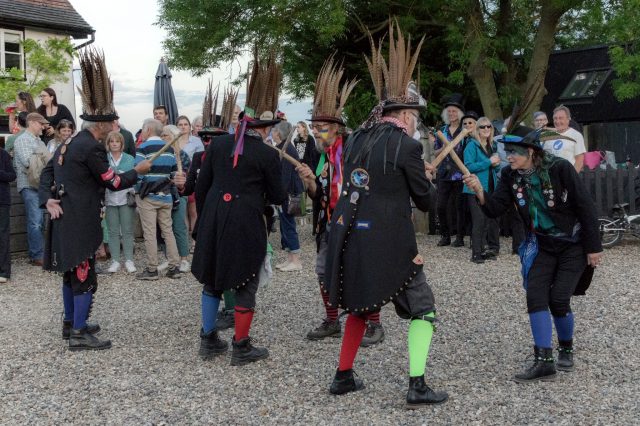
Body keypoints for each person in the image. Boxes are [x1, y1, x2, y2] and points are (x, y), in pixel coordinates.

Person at [310, 23, 448, 406]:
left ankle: (343, 376)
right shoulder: (407, 146)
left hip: (353, 237)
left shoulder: (355, 139)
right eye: (414, 115)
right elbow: (426, 202)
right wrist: (428, 180)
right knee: (424, 309)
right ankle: (417, 385)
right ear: (403, 114)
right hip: (392, 244)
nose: (416, 121)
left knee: (360, 306)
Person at [464, 127, 602, 382]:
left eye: (514, 152)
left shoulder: (560, 168)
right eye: (506, 151)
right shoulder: (510, 175)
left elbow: (585, 206)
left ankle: (566, 348)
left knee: (559, 299)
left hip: (572, 244)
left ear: (530, 151)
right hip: (542, 244)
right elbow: (495, 209)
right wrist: (479, 191)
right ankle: (544, 361)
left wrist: (593, 247)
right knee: (536, 296)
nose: (508, 156)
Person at [39, 46, 153, 350]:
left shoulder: (69, 143)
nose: (115, 126)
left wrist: (47, 199)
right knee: (83, 274)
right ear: (100, 124)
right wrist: (138, 171)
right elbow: (113, 182)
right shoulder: (90, 147)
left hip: (67, 217)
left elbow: (48, 174)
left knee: (70, 273)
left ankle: (71, 323)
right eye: (112, 122)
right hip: (80, 220)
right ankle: (78, 333)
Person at [191, 49, 286, 365]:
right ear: (265, 127)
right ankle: (241, 347)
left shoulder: (217, 144)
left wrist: (205, 218)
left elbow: (202, 188)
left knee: (213, 279)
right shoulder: (268, 155)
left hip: (214, 217)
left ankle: (208, 340)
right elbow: (278, 196)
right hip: (246, 221)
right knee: (246, 280)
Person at [135, 119, 183, 280]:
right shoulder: (169, 149)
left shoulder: (142, 148)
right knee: (168, 231)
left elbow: (138, 172)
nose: (142, 133)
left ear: (148, 130)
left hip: (147, 196)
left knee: (150, 232)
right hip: (166, 195)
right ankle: (174, 267)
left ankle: (152, 269)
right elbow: (173, 174)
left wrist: (137, 190)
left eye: (143, 129)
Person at [463, 116, 500, 263]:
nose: (486, 129)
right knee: (478, 221)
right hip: (474, 188)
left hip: (489, 188)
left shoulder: (491, 145)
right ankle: (476, 254)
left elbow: (493, 168)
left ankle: (483, 250)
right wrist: (488, 161)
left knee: (486, 221)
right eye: (482, 126)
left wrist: (496, 164)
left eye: (488, 126)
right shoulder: (471, 145)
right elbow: (468, 167)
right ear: (477, 129)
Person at [14, 112, 48, 265]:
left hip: (40, 185)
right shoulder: (22, 140)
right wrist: (42, 157)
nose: (43, 127)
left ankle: (40, 253)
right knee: (35, 222)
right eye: (41, 124)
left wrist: (40, 158)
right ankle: (37, 255)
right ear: (32, 122)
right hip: (29, 186)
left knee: (40, 221)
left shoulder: (39, 141)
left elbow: (47, 163)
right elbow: (29, 163)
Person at [434, 93, 467, 247]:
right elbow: (435, 152)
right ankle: (445, 235)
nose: (451, 113)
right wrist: (444, 148)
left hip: (460, 174)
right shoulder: (441, 131)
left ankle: (459, 237)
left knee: (460, 207)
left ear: (459, 113)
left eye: (454, 111)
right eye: (449, 111)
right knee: (440, 206)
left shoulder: (465, 131)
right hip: (444, 173)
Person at [272, 121, 304, 272]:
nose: (272, 133)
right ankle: (290, 258)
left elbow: (284, 176)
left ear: (278, 133)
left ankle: (296, 260)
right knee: (285, 225)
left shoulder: (286, 149)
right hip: (286, 193)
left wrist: (279, 196)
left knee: (289, 225)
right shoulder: (282, 147)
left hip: (289, 193)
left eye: (274, 130)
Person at [103, 131, 137, 274]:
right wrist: (119, 173)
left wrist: (114, 173)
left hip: (126, 198)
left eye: (117, 141)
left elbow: (131, 175)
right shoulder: (104, 158)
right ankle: (115, 261)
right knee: (113, 231)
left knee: (128, 230)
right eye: (112, 141)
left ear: (122, 144)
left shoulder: (129, 158)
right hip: (109, 198)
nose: (115, 144)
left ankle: (129, 260)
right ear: (108, 143)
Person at [161, 124, 192, 272]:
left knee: (179, 226)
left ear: (174, 137)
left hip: (178, 194)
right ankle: (170, 258)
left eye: (166, 135)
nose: (163, 138)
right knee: (165, 228)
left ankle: (184, 259)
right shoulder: (160, 154)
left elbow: (184, 177)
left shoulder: (182, 155)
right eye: (162, 135)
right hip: (163, 195)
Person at [544, 105, 586, 172]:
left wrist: (572, 177)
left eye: (561, 118)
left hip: (567, 175)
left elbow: (579, 161)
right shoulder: (548, 136)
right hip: (550, 176)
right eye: (555, 118)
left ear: (568, 119)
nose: (557, 121)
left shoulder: (576, 135)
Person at [0, 145, 17, 283]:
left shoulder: (3, 154)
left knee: (2, 235)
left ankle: (4, 271)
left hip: (2, 201)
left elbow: (12, 175)